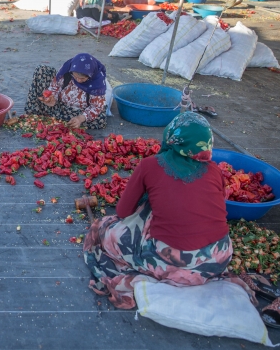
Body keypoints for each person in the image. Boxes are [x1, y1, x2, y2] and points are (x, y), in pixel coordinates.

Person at [83, 112, 254, 309]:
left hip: (170, 263)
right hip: (218, 259)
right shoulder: (215, 170)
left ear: (172, 137)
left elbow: (122, 212)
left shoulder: (149, 165)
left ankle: (164, 270)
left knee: (106, 229)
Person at [24, 54, 107, 129]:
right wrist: (52, 98)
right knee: (42, 70)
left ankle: (70, 121)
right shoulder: (67, 72)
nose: (78, 80)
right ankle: (38, 112)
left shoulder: (97, 84)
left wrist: (80, 118)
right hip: (59, 106)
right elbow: (55, 87)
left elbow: (97, 107)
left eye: (82, 78)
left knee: (100, 119)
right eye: (75, 76)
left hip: (77, 112)